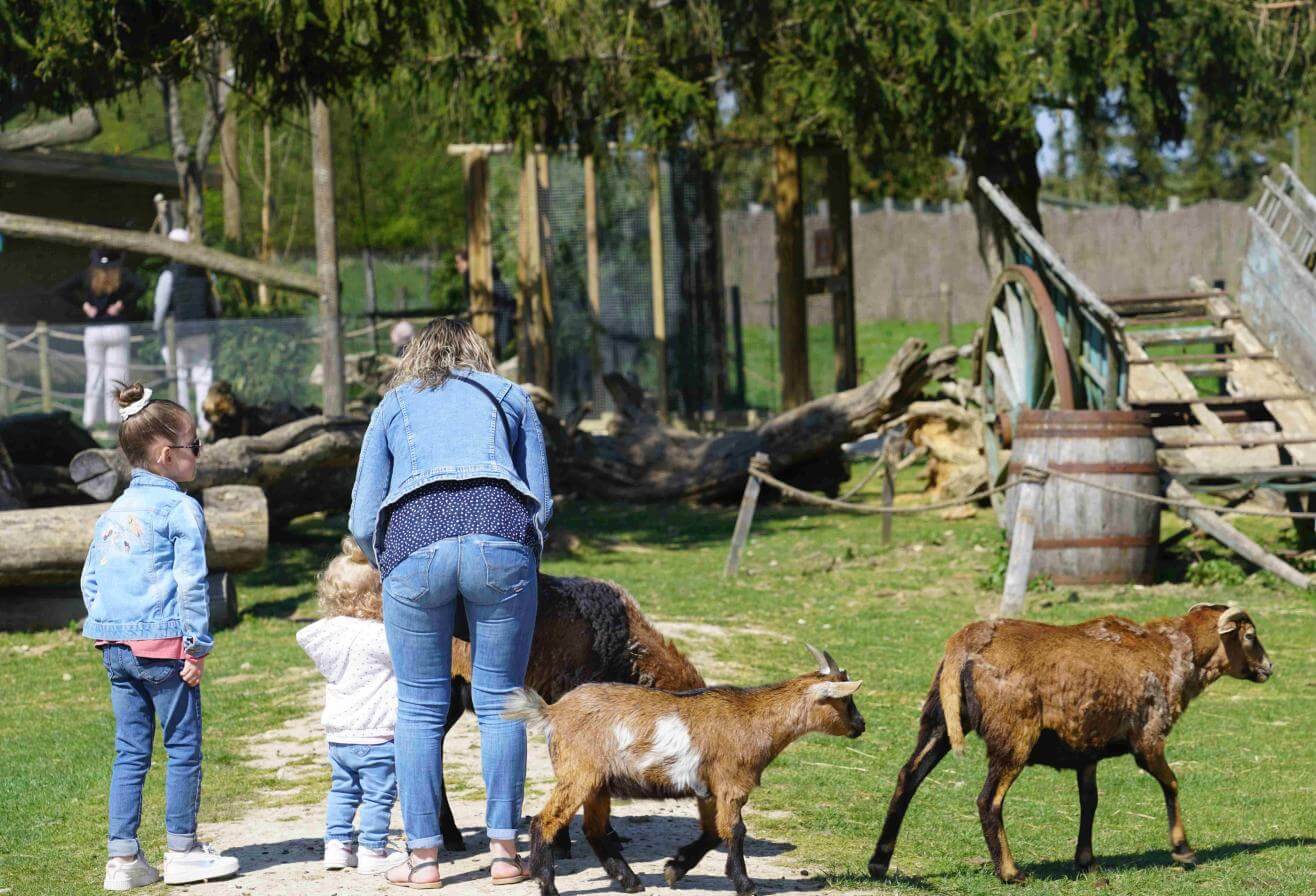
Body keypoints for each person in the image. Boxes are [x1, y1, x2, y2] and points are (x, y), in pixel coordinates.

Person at [348, 318, 552, 889]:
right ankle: (506, 854)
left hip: (413, 544)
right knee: (502, 701)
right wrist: (522, 556)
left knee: (418, 706)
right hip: (500, 539)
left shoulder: (393, 405)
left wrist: (391, 564)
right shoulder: (511, 396)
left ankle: (423, 861)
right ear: (477, 352)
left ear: (416, 355)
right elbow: (541, 502)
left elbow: (361, 517)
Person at [80, 382, 240, 890]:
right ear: (167, 455)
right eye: (195, 445)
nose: (199, 453)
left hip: (116, 648)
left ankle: (123, 860)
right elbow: (192, 585)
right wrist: (197, 646)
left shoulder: (112, 513)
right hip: (166, 650)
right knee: (182, 748)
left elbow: (90, 580)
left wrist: (110, 627)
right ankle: (184, 850)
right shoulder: (180, 510)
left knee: (130, 751)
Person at [296, 539, 407, 876]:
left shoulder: (326, 635)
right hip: (377, 732)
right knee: (378, 795)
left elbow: (304, 636)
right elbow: (406, 657)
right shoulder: (379, 636)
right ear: (377, 595)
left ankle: (337, 846)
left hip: (339, 735)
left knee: (343, 791)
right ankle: (372, 850)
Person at [55, 248, 146, 430]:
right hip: (117, 328)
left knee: (94, 376)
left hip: (94, 330)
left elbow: (61, 289)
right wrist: (122, 304)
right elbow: (141, 286)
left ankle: (89, 421)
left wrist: (84, 305)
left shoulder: (87, 275)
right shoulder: (122, 274)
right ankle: (115, 420)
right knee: (117, 377)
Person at [153, 229, 221, 438]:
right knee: (203, 376)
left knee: (179, 377)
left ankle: (183, 427)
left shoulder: (169, 274)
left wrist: (156, 328)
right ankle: (207, 423)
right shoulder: (204, 273)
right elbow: (216, 304)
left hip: (176, 335)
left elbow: (160, 306)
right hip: (201, 330)